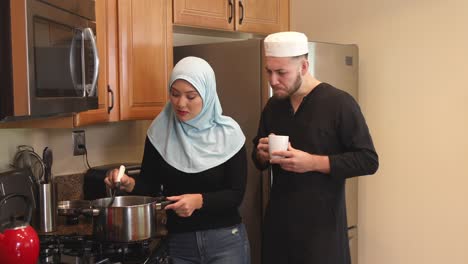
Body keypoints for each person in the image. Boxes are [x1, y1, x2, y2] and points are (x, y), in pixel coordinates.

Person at [105, 56, 251, 264]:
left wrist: (198, 201)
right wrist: (129, 183)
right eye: (174, 94)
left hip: (226, 242)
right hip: (180, 244)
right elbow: (151, 186)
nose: (181, 103)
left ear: (207, 95)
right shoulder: (160, 132)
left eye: (191, 96)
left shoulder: (229, 134)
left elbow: (235, 194)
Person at [252, 31, 379, 264]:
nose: (273, 81)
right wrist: (261, 154)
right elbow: (258, 157)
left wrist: (313, 162)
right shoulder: (273, 105)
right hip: (279, 227)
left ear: (304, 66)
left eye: (281, 73)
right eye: (268, 71)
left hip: (323, 231)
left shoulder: (339, 103)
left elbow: (368, 160)